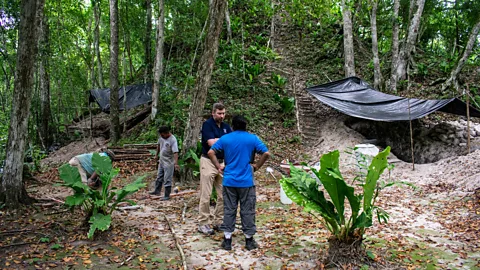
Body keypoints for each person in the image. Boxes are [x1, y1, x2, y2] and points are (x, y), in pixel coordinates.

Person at [208, 115, 270, 251]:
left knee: (229, 209)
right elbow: (266, 153)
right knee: (248, 210)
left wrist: (219, 166)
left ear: (233, 126)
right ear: (245, 126)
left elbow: (211, 152)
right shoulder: (252, 138)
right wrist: (257, 166)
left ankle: (227, 240)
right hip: (247, 181)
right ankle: (249, 241)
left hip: (229, 181)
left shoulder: (226, 138)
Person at [198, 103, 232, 235]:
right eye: (219, 113)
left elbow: (231, 142)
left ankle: (218, 221)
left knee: (223, 194)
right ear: (213, 113)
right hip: (208, 161)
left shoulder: (226, 127)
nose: (222, 116)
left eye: (223, 113)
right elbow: (211, 144)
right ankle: (203, 223)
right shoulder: (207, 125)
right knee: (205, 195)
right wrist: (223, 141)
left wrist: (219, 140)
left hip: (223, 163)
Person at [149, 126, 180, 201]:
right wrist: (156, 155)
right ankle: (157, 191)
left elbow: (175, 152)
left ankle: (167, 195)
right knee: (159, 176)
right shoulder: (161, 138)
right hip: (162, 160)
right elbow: (159, 145)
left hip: (169, 162)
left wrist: (176, 163)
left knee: (167, 179)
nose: (161, 136)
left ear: (167, 133)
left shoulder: (173, 140)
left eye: (163, 135)